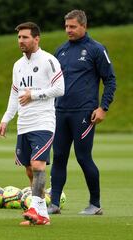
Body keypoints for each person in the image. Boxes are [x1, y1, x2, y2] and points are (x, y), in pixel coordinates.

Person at [49, 10, 116, 215]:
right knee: (59, 156)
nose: (68, 30)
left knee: (83, 157)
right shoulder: (60, 51)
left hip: (84, 114)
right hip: (60, 112)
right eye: (66, 26)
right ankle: (54, 204)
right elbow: (50, 83)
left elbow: (110, 80)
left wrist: (103, 107)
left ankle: (95, 205)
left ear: (84, 26)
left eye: (73, 26)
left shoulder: (96, 49)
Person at [0, 22, 64, 226]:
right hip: (24, 124)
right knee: (29, 169)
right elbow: (15, 94)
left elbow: (60, 88)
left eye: (25, 37)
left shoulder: (48, 60)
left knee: (37, 165)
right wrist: (6, 118)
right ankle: (42, 215)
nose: (21, 41)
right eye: (19, 37)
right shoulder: (18, 65)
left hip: (43, 121)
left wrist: (33, 95)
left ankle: (34, 207)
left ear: (37, 39)